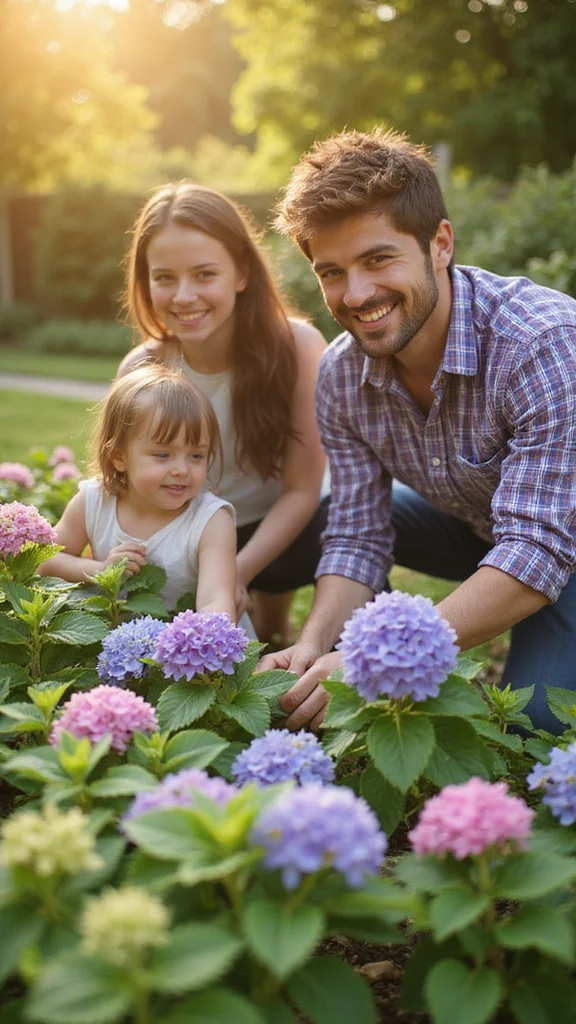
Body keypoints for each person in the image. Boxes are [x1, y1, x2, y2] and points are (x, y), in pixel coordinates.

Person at [260, 127, 576, 735]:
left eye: (378, 259)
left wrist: (369, 661)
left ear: (440, 244)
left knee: (536, 725)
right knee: (332, 516)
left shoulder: (539, 343)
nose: (357, 294)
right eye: (332, 272)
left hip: (560, 536)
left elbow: (539, 548)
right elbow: (357, 534)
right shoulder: (341, 374)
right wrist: (317, 642)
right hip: (482, 524)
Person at [117, 183, 328, 645]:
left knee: (285, 632)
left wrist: (237, 572)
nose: (184, 295)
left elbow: (301, 491)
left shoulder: (299, 347)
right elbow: (126, 491)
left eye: (204, 274)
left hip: (291, 530)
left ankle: (287, 621)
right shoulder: (142, 369)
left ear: (242, 272)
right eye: (165, 277)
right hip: (193, 534)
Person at [40, 365, 240, 621]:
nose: (181, 469)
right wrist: (102, 570)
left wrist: (204, 644)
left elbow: (216, 598)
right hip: (113, 642)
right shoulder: (94, 501)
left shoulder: (211, 520)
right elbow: (47, 561)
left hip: (181, 646)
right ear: (119, 457)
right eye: (163, 455)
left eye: (196, 455)